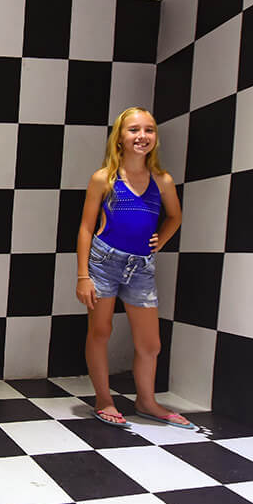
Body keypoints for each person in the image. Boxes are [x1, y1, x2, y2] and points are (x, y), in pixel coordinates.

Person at [75, 106, 193, 429]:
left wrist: (160, 241)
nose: (142, 136)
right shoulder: (104, 179)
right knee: (100, 331)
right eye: (134, 130)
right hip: (104, 262)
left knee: (150, 344)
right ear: (119, 138)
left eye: (149, 130)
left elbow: (175, 216)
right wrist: (83, 275)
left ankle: (146, 401)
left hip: (141, 266)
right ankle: (104, 399)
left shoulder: (162, 180)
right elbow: (86, 228)